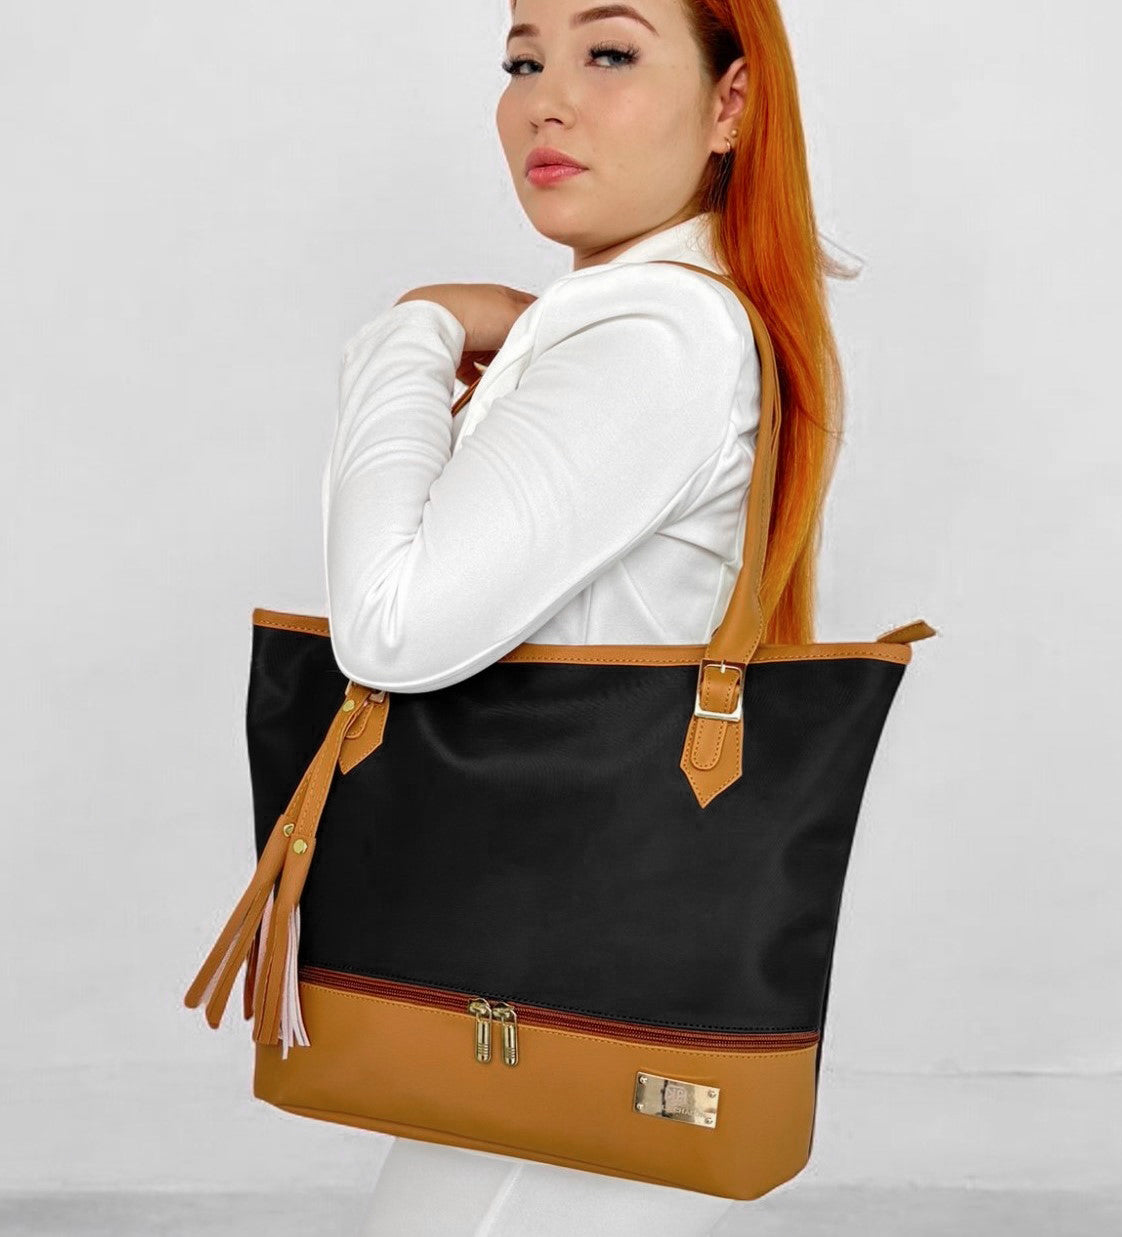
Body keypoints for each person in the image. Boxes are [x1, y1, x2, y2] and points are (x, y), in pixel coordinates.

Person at [323, 0, 852, 1230]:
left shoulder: (657, 331)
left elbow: (389, 629)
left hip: (556, 1029)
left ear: (730, 104)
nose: (544, 101)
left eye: (609, 52)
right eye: (523, 59)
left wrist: (411, 334)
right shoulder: (664, 318)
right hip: (559, 1001)